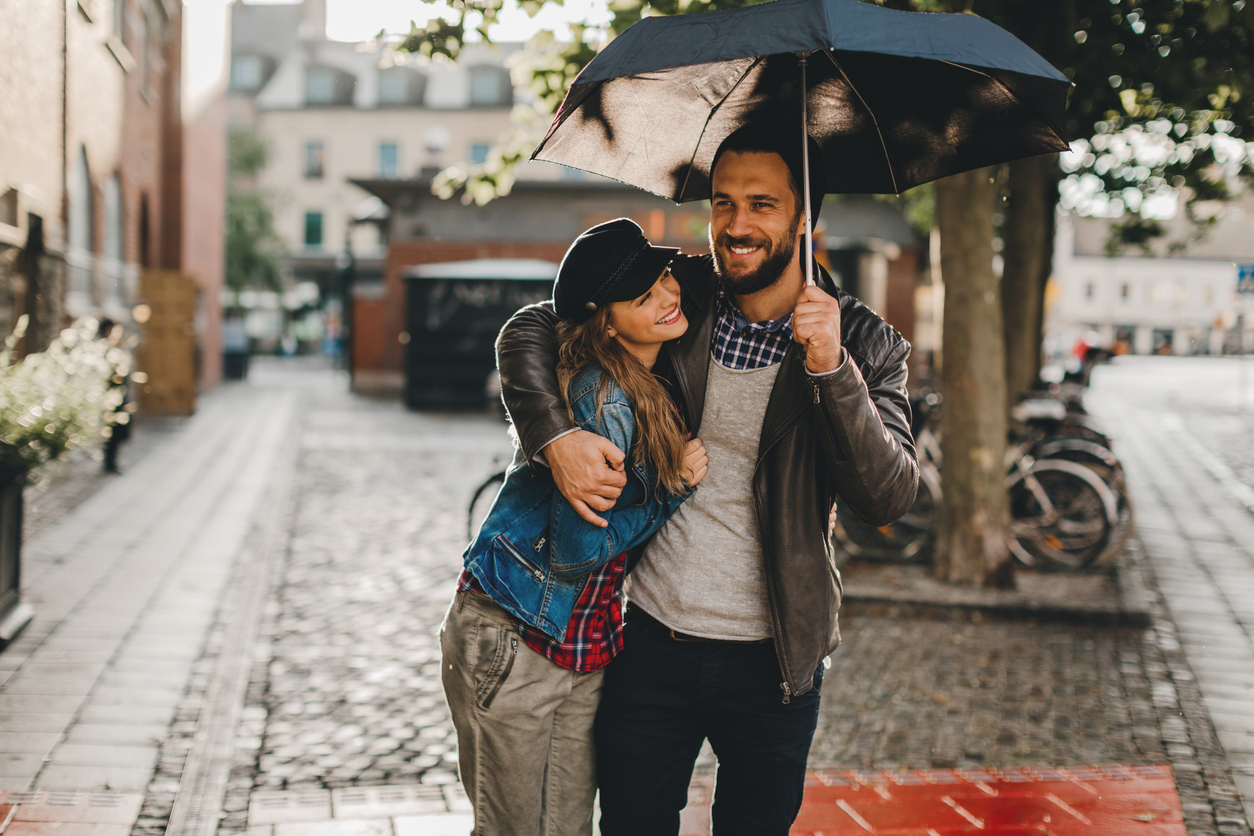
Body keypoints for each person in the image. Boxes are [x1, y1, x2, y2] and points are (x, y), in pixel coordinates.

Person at [495, 121, 920, 835]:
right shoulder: (682, 296)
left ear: (804, 217)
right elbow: (535, 326)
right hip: (651, 642)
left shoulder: (866, 344)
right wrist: (554, 435)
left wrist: (830, 368)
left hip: (776, 661)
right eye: (724, 203)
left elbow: (887, 495)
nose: (737, 224)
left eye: (762, 204)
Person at [441, 218, 710, 836]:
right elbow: (577, 554)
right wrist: (673, 490)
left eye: (663, 280)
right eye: (644, 297)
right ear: (607, 322)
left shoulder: (649, 384)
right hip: (515, 635)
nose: (669, 297)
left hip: (579, 644)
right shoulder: (602, 398)